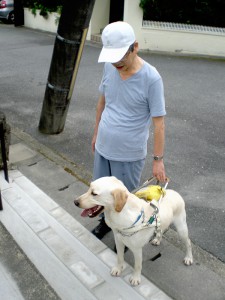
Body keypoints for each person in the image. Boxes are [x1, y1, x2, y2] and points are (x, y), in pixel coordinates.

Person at [91, 21, 166, 239]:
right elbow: (102, 103)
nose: (116, 62)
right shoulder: (109, 66)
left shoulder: (151, 78)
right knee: (103, 196)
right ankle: (105, 223)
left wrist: (158, 159)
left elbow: (159, 123)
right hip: (103, 146)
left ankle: (127, 235)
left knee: (125, 199)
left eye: (121, 56)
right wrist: (96, 133)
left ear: (135, 47)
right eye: (112, 57)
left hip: (128, 153)